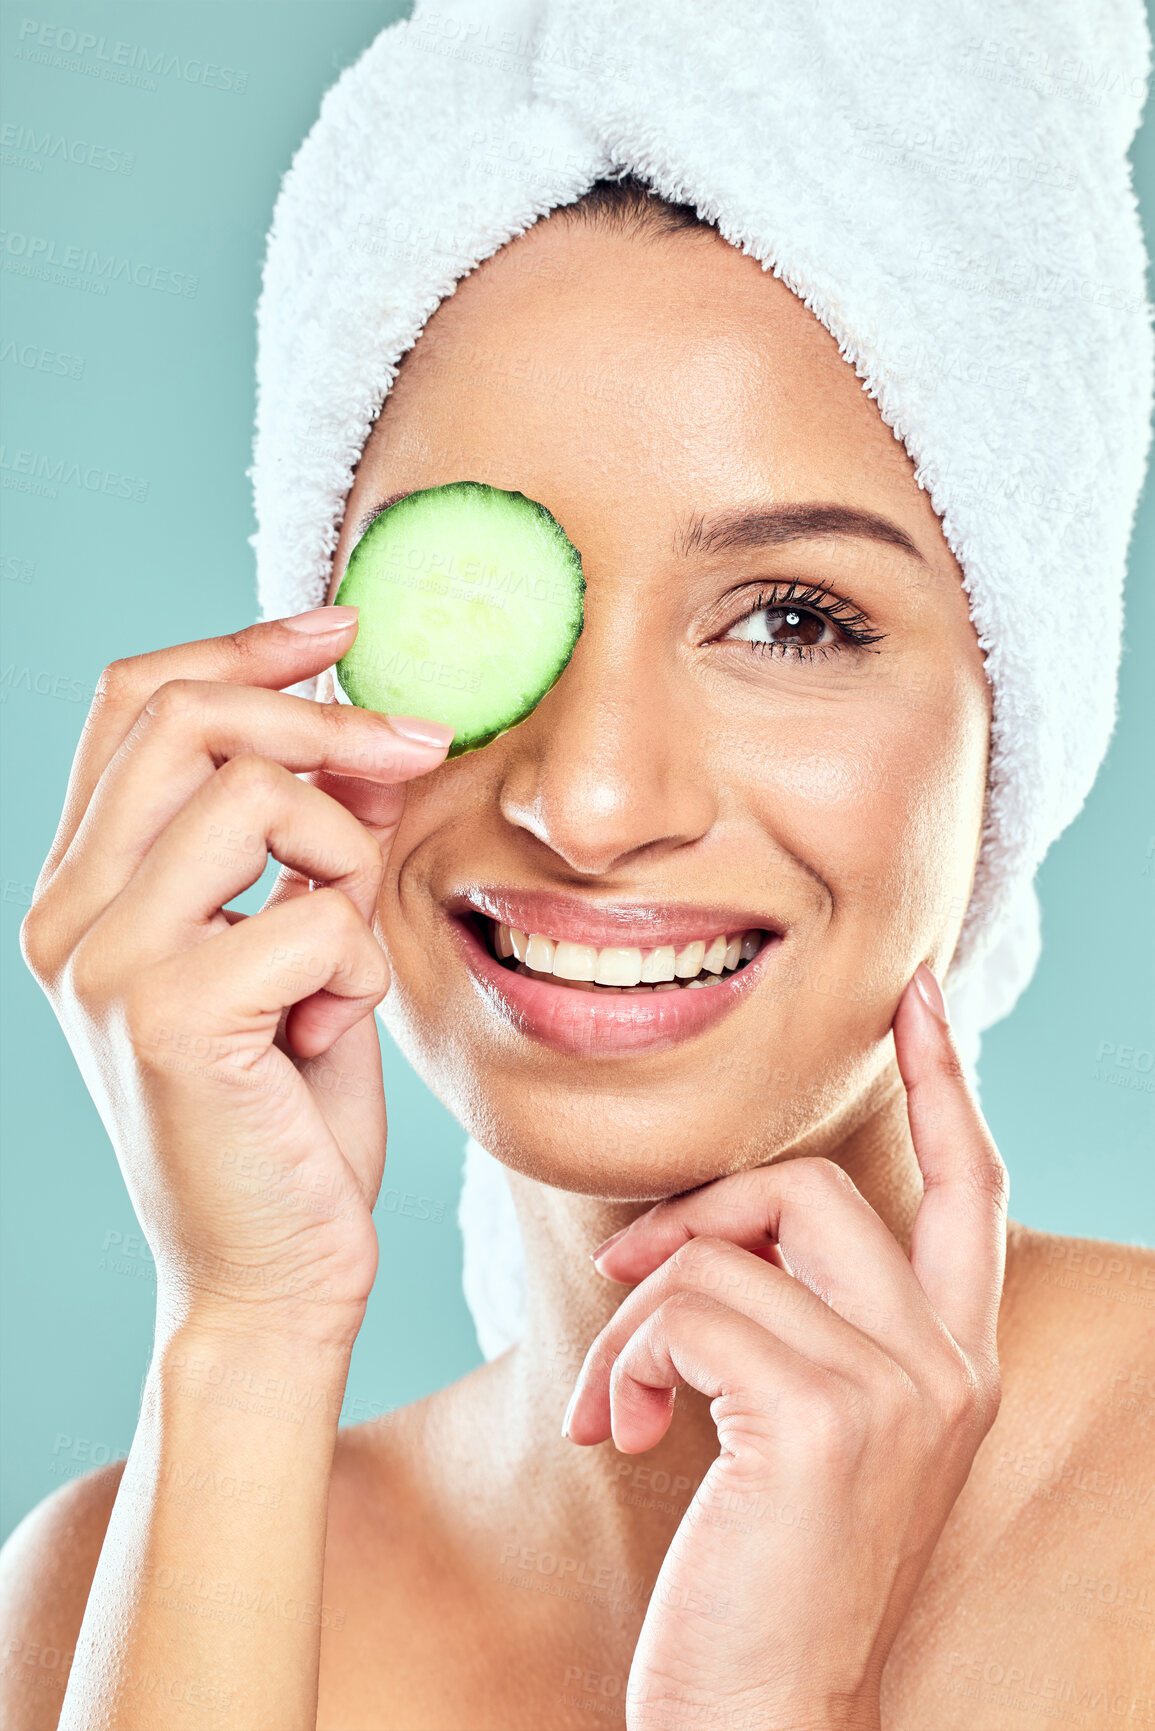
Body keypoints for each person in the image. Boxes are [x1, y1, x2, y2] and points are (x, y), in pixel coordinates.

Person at [1, 169, 1150, 1731]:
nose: (591, 801)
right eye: (476, 604)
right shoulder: (109, 1597)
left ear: (1020, 710)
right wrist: (245, 1329)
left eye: (794, 620)